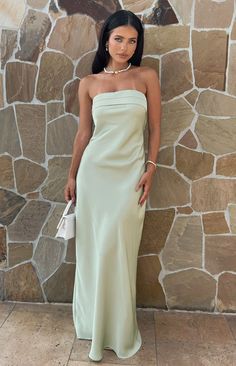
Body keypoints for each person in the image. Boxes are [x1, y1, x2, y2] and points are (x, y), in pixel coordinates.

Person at [64, 9, 161, 362]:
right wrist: (73, 175)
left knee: (117, 250)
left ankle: (119, 330)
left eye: (132, 41)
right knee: (95, 251)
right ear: (106, 40)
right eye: (118, 39)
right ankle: (93, 324)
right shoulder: (88, 83)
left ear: (138, 45)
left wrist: (151, 168)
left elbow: (155, 128)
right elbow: (83, 134)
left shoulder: (147, 76)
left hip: (131, 178)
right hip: (94, 175)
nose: (124, 47)